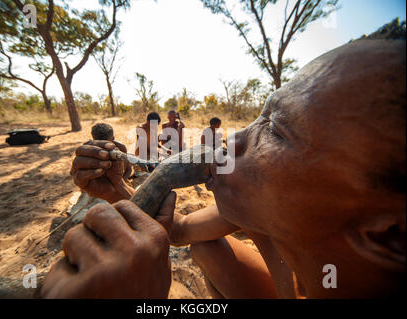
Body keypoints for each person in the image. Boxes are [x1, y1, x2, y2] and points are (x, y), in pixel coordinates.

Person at [42, 24, 406, 298]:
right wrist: (118, 191)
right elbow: (179, 231)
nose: (229, 142)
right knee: (207, 248)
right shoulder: (266, 216)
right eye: (260, 117)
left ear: (391, 237)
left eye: (278, 130)